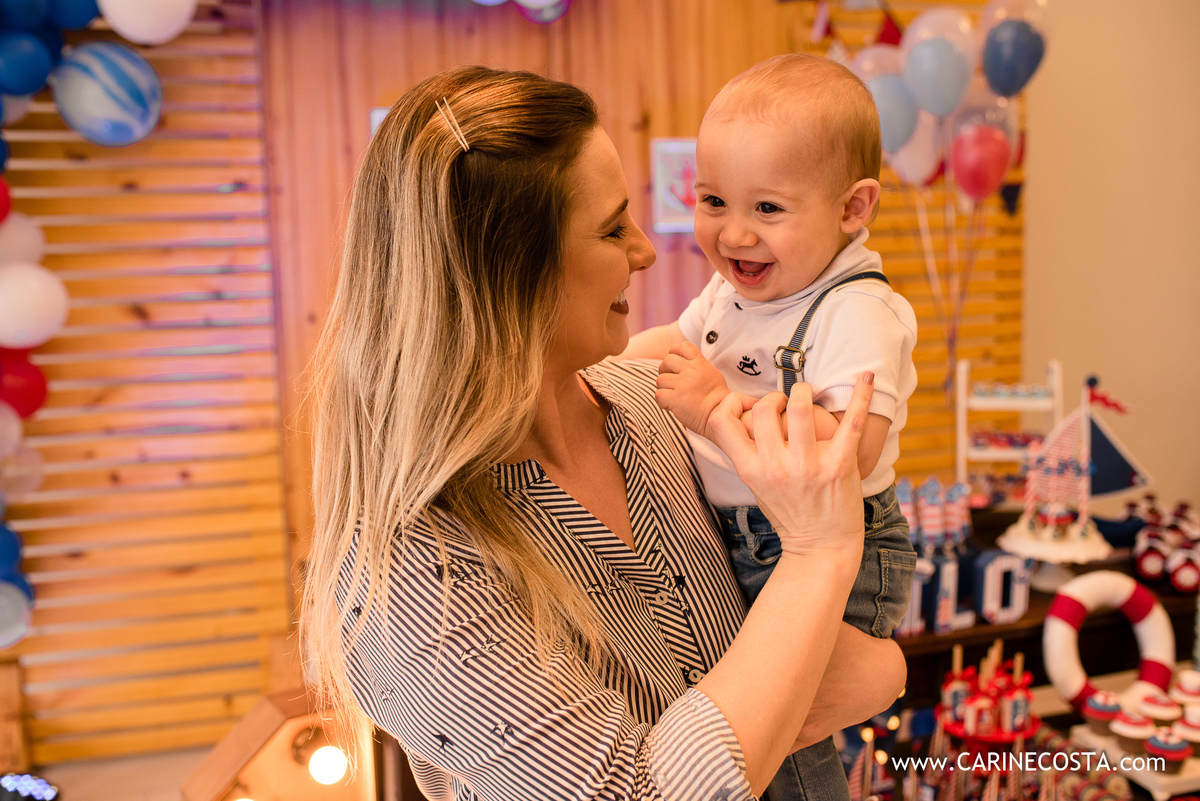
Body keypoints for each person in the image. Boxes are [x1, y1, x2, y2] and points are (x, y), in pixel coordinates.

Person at [301, 65, 905, 801]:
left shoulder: (654, 408)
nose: (648, 250)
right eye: (613, 227)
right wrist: (819, 553)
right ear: (512, 280)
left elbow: (821, 651)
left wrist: (886, 667)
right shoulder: (416, 575)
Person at [623, 54, 919, 800]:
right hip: (750, 538)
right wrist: (604, 369)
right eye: (714, 200)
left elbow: (848, 445)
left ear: (853, 209)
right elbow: (671, 348)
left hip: (833, 541)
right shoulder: (734, 292)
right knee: (748, 721)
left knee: (779, 735)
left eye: (767, 209)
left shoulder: (858, 311)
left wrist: (718, 408)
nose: (733, 235)